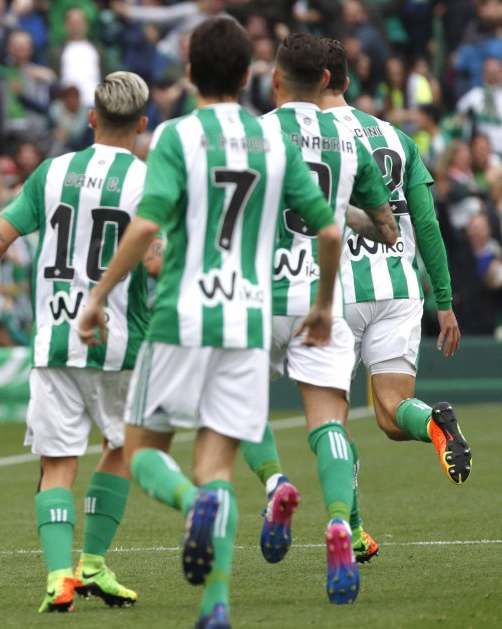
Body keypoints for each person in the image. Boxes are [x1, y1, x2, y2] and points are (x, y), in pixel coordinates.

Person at [76, 18, 341, 627]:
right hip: (246, 321)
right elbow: (329, 229)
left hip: (180, 316)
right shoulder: (272, 140)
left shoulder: (175, 136)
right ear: (250, 76)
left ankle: (193, 505)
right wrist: (324, 305)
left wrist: (99, 294)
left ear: (190, 71)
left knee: (140, 449)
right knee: (219, 466)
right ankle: (216, 606)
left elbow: (146, 227)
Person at [0, 71, 158, 613]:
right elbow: (155, 258)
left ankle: (59, 577)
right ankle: (95, 562)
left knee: (58, 462)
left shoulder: (53, 172)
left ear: (91, 119)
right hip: (119, 338)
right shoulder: (147, 179)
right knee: (122, 447)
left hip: (53, 341)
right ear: (143, 124)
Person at [236, 33, 396, 605]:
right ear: (327, 80)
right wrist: (337, 212)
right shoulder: (348, 137)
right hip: (321, 298)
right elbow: (387, 228)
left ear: (274, 79)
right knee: (328, 423)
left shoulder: (254, 132)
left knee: (239, 409)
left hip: (254, 294)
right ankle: (337, 525)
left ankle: (276, 483)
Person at [321, 37, 469, 555]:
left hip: (336, 291)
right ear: (346, 78)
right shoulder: (396, 137)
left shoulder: (305, 136)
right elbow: (426, 224)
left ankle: (354, 528)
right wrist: (444, 302)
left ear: (313, 79)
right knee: (391, 412)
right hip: (400, 289)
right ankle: (432, 421)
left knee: (330, 418)